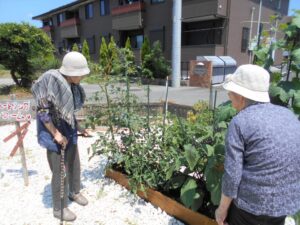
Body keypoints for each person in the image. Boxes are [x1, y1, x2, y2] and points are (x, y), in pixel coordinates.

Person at [215, 64, 300, 225]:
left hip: (251, 207)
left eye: (230, 93)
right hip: (285, 204)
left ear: (241, 96)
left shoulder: (240, 122)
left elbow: (232, 177)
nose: (229, 97)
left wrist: (221, 210)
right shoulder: (288, 115)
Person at [31, 51, 90, 221]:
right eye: (81, 74)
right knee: (60, 171)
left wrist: (79, 127)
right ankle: (59, 208)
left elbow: (68, 111)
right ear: (71, 72)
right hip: (54, 135)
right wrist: (56, 134)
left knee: (74, 164)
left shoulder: (70, 84)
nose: (83, 77)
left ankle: (74, 192)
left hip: (69, 130)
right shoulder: (49, 81)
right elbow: (42, 112)